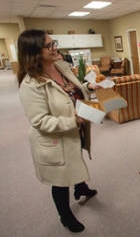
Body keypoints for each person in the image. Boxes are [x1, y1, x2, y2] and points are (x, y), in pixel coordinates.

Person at [17, 29, 99, 233]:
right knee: (60, 180)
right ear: (34, 52)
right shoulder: (31, 84)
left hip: (74, 131)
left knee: (76, 157)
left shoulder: (61, 67)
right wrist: (74, 120)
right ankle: (65, 216)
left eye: (54, 43)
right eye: (49, 46)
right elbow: (40, 121)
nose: (55, 48)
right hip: (55, 138)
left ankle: (80, 187)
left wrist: (89, 87)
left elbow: (72, 90)